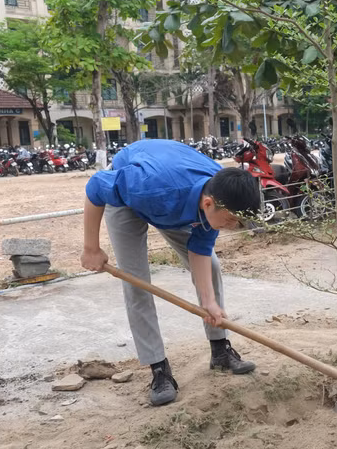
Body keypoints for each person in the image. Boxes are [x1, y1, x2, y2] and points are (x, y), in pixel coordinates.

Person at [80, 139, 262, 406]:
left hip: (175, 197)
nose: (235, 226)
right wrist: (91, 248)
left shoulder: (221, 188)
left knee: (210, 266)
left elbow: (199, 250)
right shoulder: (148, 186)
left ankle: (220, 351)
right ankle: (159, 369)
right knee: (137, 283)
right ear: (209, 204)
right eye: (233, 220)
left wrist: (209, 303)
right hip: (135, 195)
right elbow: (95, 186)